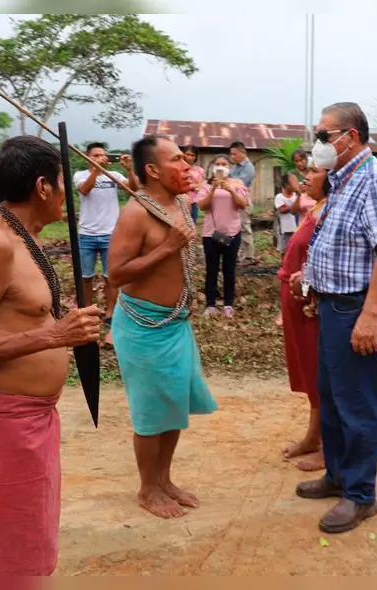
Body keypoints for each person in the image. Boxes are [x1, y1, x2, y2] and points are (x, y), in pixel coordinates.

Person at [0, 135, 102, 577]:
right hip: (4, 424)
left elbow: (22, 316)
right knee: (11, 555)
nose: (68, 196)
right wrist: (53, 336)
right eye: (64, 185)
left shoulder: (21, 235)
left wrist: (66, 326)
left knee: (29, 545)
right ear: (43, 187)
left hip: (33, 420)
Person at [289, 102, 377, 534]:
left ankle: (361, 495)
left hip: (355, 307)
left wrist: (369, 315)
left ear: (349, 137)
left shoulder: (374, 179)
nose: (318, 145)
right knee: (333, 396)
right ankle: (337, 475)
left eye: (323, 135)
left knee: (357, 402)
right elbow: (341, 242)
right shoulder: (342, 181)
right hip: (332, 306)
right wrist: (313, 274)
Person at [108, 135, 218, 519]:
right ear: (152, 170)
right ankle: (147, 489)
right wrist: (168, 247)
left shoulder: (182, 204)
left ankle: (165, 480)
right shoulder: (136, 213)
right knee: (152, 412)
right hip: (143, 327)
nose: (187, 166)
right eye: (177, 160)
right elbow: (116, 273)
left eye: (186, 160)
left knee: (174, 406)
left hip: (176, 325)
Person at [279, 165, 330, 472]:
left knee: (320, 375)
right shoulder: (316, 207)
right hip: (297, 301)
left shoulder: (330, 211)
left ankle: (328, 445)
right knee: (309, 374)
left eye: (313, 171)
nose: (305, 177)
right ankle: (314, 436)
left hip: (311, 303)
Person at [74, 142, 138, 346]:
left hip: (111, 234)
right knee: (86, 277)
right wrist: (95, 170)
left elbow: (133, 190)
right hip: (87, 234)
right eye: (96, 155)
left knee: (111, 277)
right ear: (87, 157)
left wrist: (129, 169)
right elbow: (84, 190)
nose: (102, 157)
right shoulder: (81, 175)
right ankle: (88, 310)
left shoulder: (115, 176)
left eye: (103, 155)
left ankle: (110, 313)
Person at [199, 154, 250, 318]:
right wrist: (214, 189)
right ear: (213, 166)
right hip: (210, 234)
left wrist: (230, 189)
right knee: (211, 269)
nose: (221, 167)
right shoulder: (206, 186)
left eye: (224, 164)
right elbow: (202, 206)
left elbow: (242, 204)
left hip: (232, 232)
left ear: (230, 167)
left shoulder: (238, 184)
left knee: (229, 270)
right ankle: (210, 304)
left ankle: (228, 304)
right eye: (217, 164)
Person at [229, 140, 257, 266]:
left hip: (243, 201)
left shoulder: (248, 168)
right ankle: (238, 255)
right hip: (233, 201)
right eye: (231, 154)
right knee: (235, 228)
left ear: (242, 152)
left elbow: (239, 184)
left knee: (245, 227)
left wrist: (227, 182)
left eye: (234, 154)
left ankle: (249, 256)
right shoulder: (234, 167)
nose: (232, 157)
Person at [181, 145, 207, 223]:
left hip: (194, 201)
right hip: (181, 200)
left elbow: (202, 186)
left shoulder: (200, 170)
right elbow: (182, 186)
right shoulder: (179, 169)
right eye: (188, 154)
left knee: (192, 223)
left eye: (192, 155)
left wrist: (190, 186)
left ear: (196, 157)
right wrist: (195, 186)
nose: (190, 157)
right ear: (183, 154)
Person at [274, 173, 298, 255]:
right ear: (287, 185)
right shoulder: (279, 197)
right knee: (285, 250)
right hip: (285, 229)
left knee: (295, 250)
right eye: (293, 183)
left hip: (297, 228)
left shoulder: (296, 196)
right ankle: (284, 266)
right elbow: (282, 210)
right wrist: (295, 205)